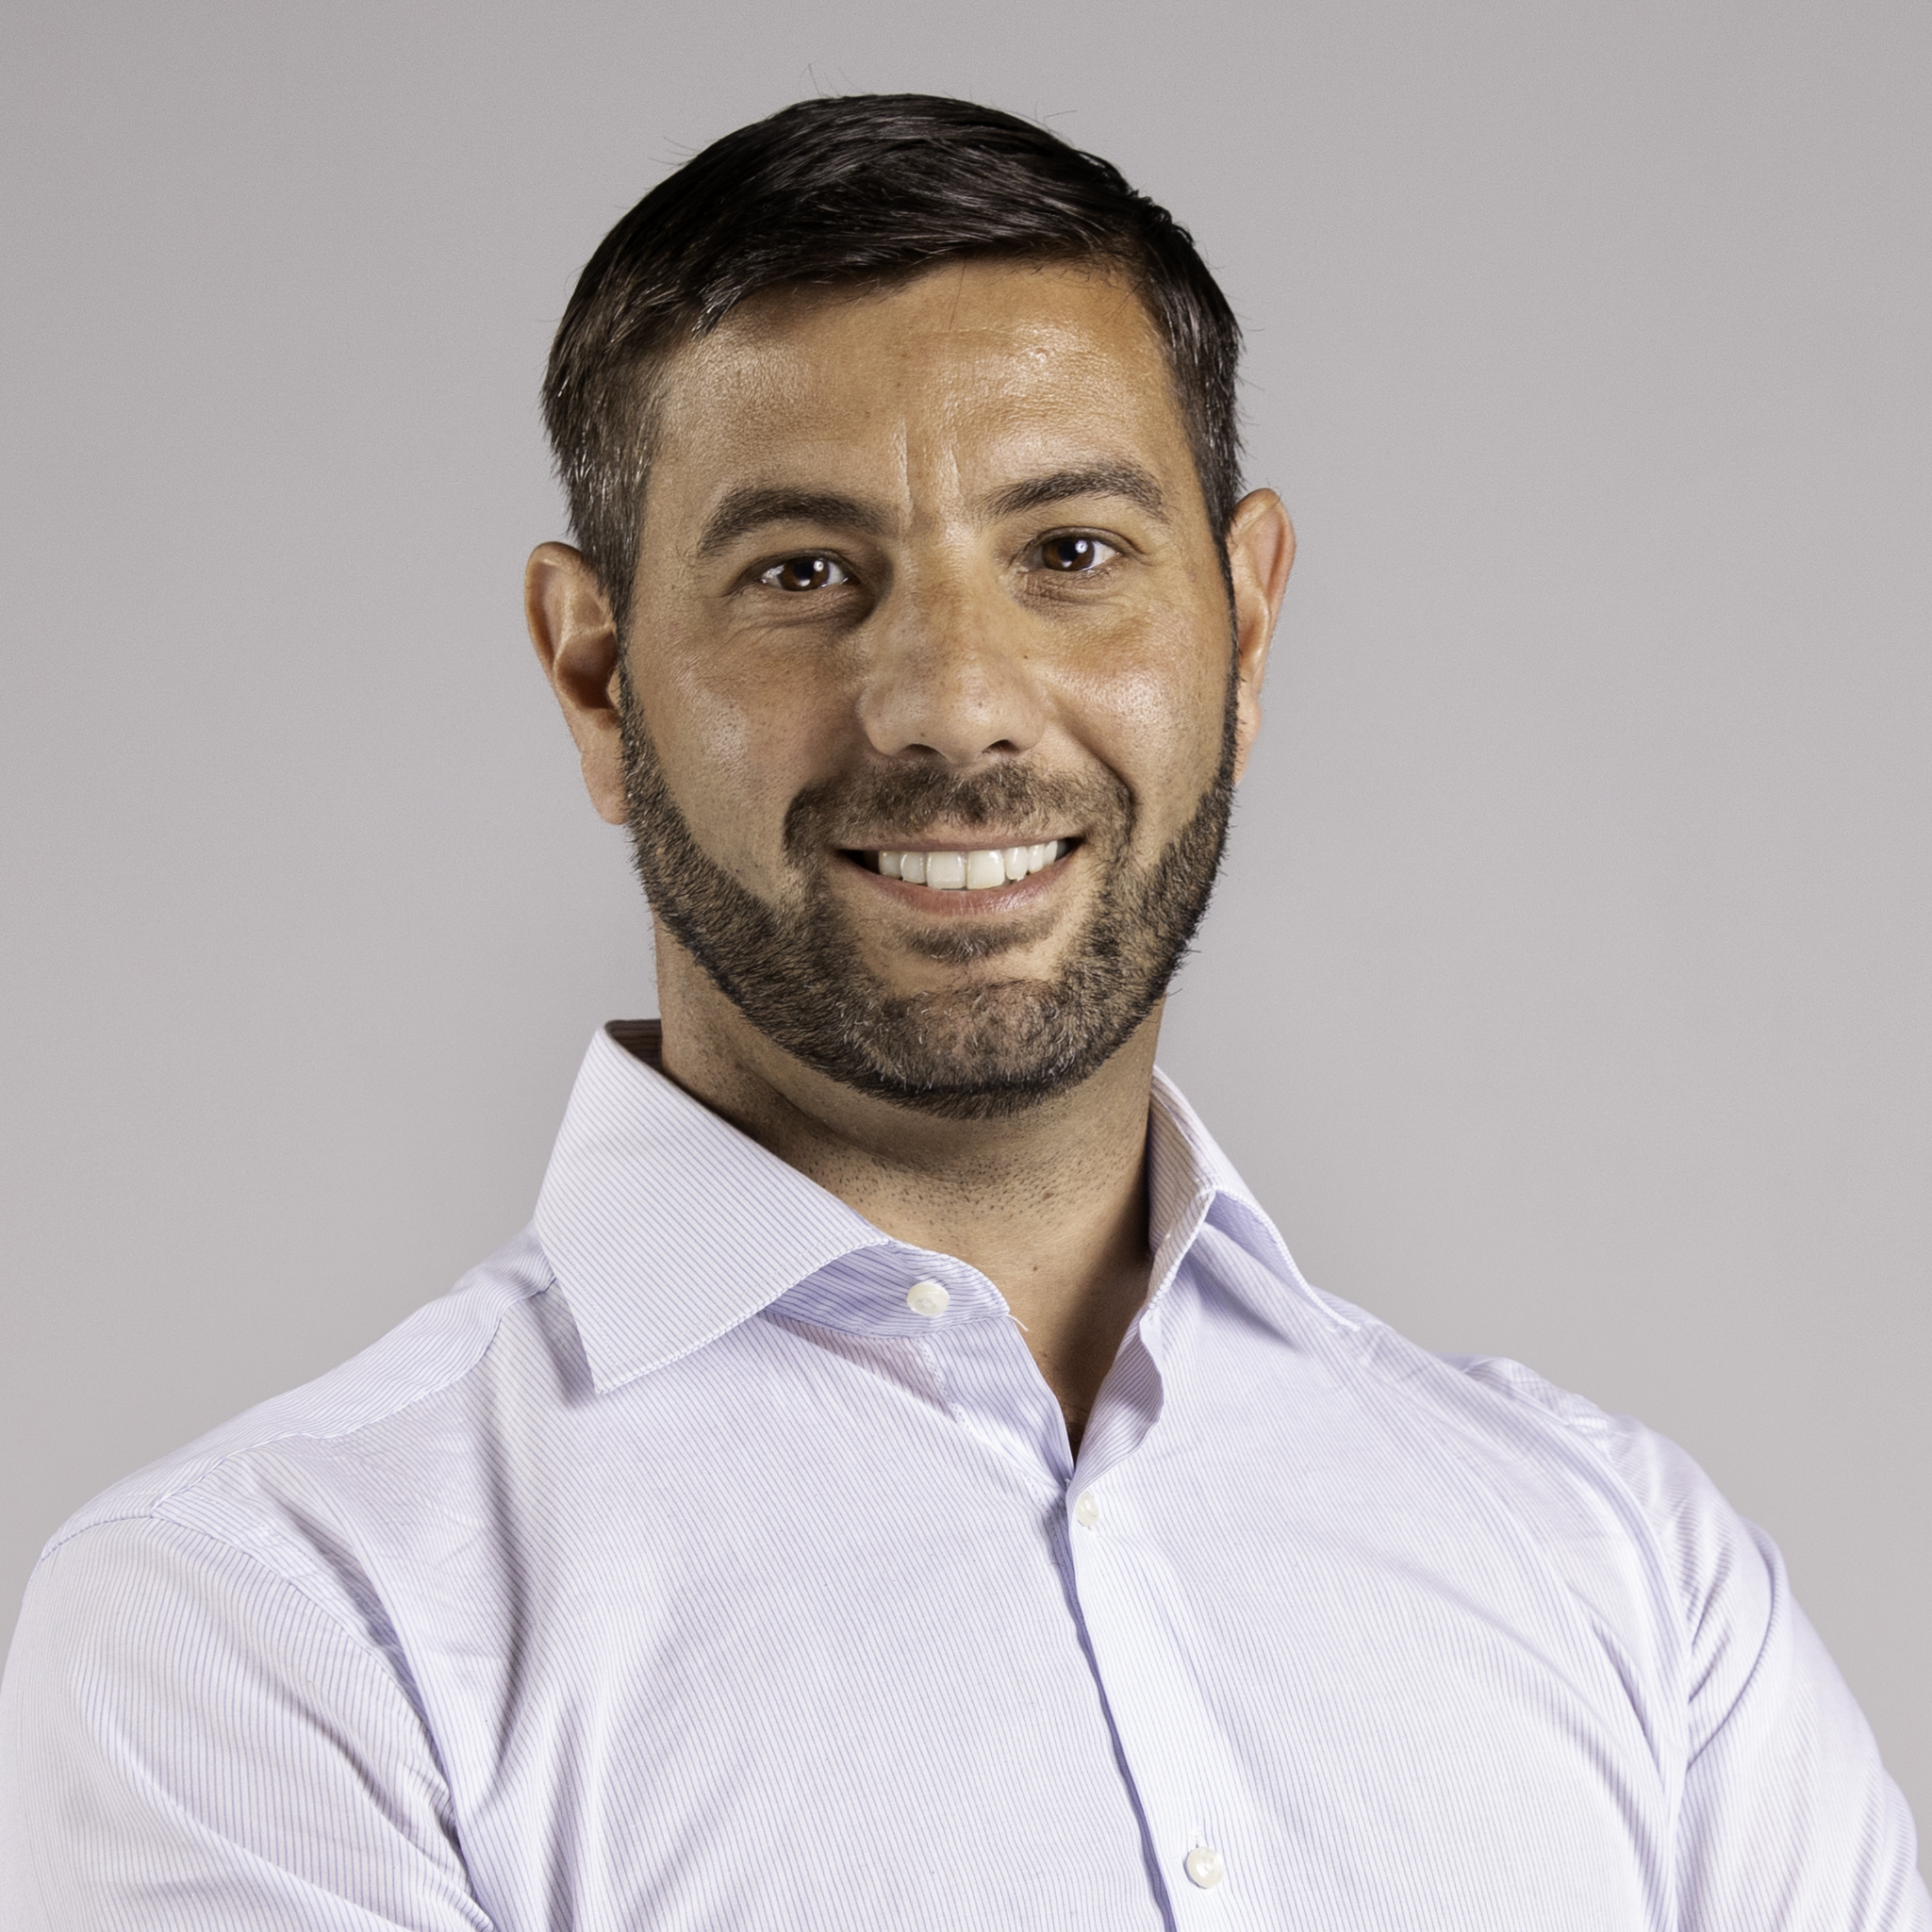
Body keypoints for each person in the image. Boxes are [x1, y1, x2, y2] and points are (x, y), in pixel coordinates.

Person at [0, 92, 1923, 1932]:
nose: (952, 704)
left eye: (1069, 554)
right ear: (596, 680)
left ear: (1241, 630)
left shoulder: (1626, 1575)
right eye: (803, 572)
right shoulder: (272, 1630)